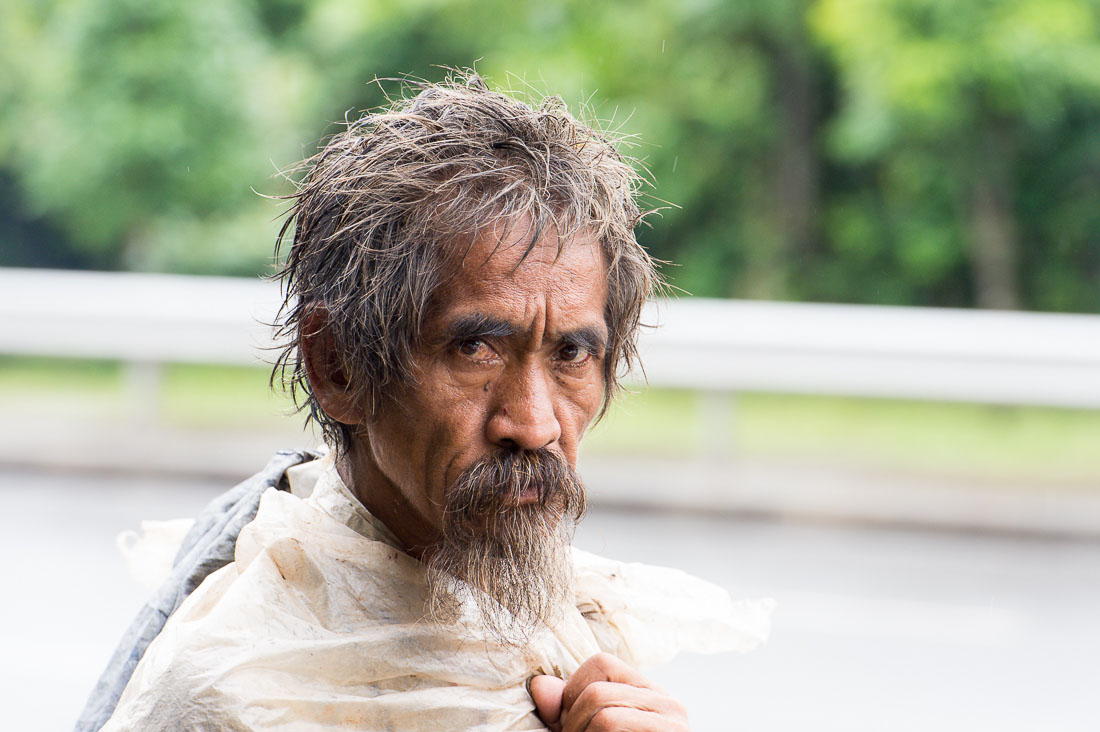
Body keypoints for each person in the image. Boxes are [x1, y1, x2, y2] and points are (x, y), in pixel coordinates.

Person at [77, 72, 771, 732]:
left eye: (571, 354)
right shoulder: (237, 697)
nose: (533, 425)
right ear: (338, 366)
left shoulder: (568, 628)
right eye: (476, 350)